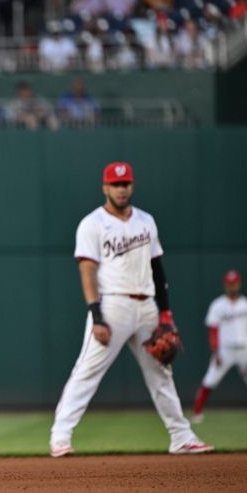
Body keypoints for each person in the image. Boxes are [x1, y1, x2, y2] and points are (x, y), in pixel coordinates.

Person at [49, 162, 214, 457]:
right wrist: (96, 315)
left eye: (125, 184)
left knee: (161, 374)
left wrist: (166, 314)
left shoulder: (146, 221)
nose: (121, 189)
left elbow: (158, 268)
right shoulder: (92, 224)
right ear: (105, 187)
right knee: (87, 372)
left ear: (132, 186)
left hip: (148, 305)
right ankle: (60, 436)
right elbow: (87, 271)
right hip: (112, 305)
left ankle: (181, 437)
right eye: (116, 184)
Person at [191, 269, 247, 423]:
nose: (232, 287)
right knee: (210, 381)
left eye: (234, 283)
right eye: (230, 284)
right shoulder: (218, 305)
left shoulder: (245, 304)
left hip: (244, 349)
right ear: (225, 285)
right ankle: (196, 413)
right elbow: (213, 330)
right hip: (225, 350)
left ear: (239, 284)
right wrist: (216, 352)